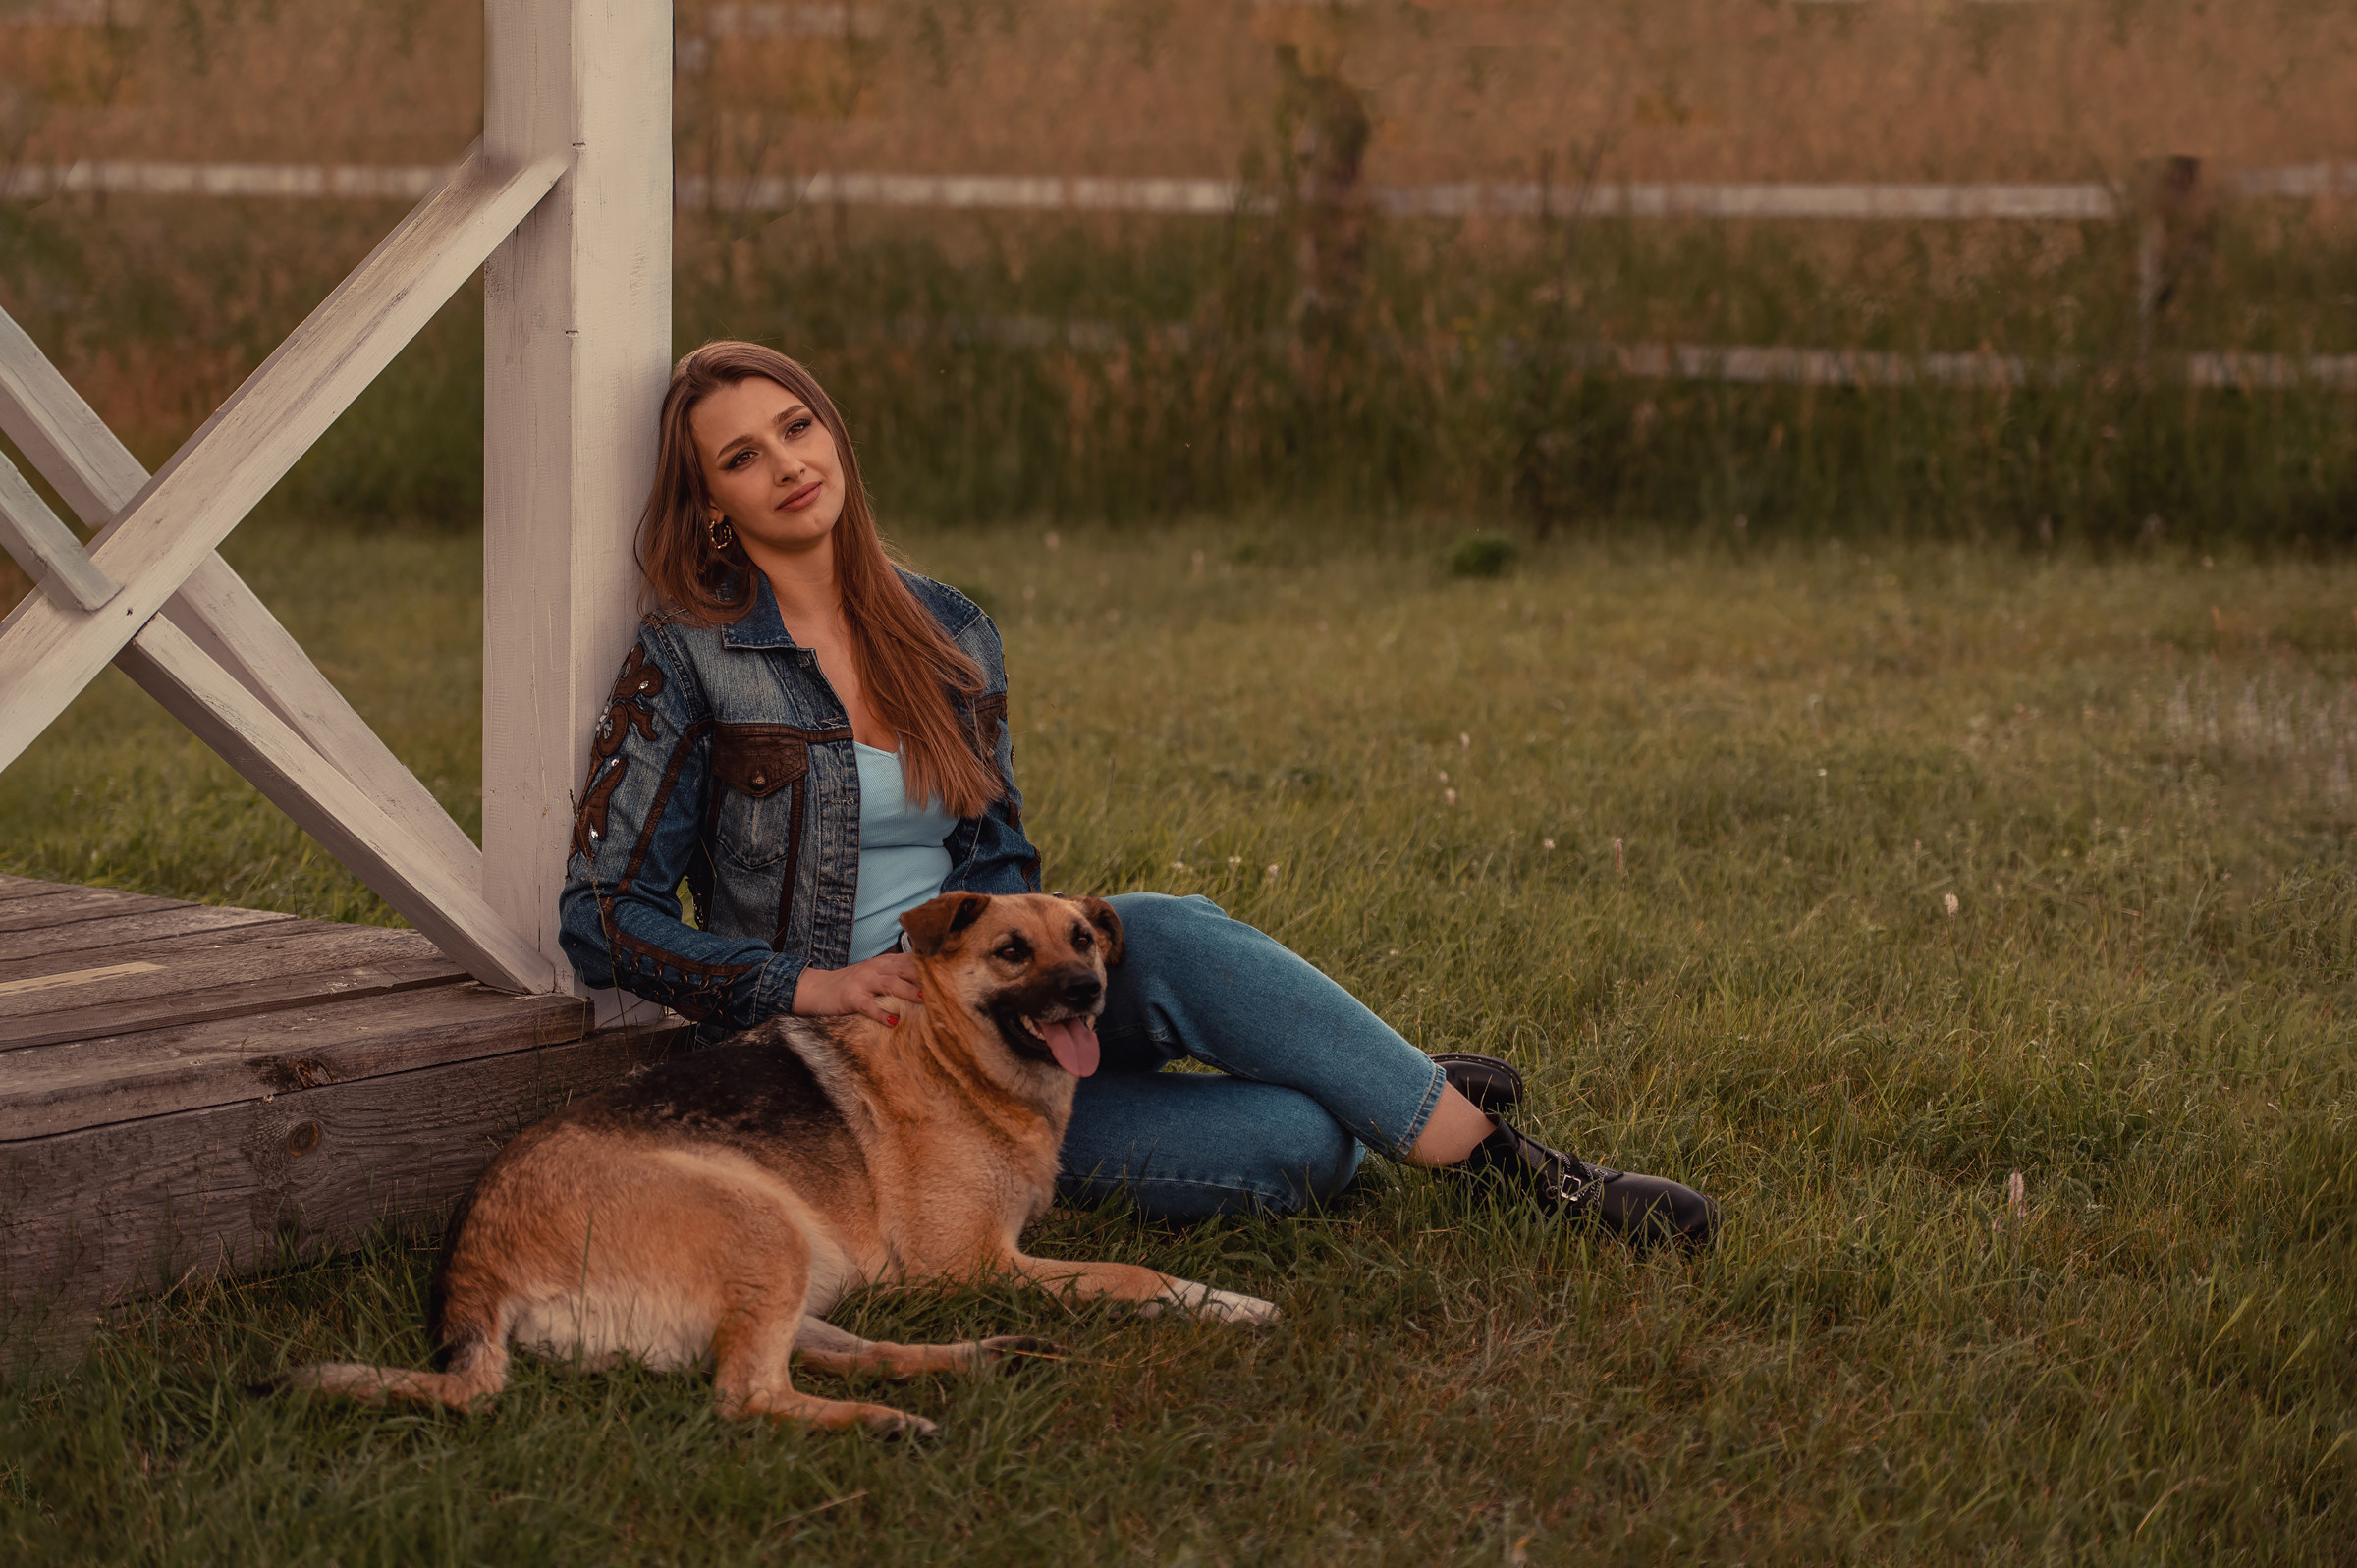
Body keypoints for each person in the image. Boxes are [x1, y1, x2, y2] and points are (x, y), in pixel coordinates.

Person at [557, 341, 1717, 1247]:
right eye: (742, 456)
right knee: (1301, 1149)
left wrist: (1007, 955)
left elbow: (997, 855)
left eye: (796, 426)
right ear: (711, 501)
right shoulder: (691, 658)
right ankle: (1379, 1081)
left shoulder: (949, 628)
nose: (787, 463)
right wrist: (819, 983)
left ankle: (1510, 1167)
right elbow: (601, 915)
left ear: (836, 436)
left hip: (1003, 1006)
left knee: (1167, 929)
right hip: (863, 1072)